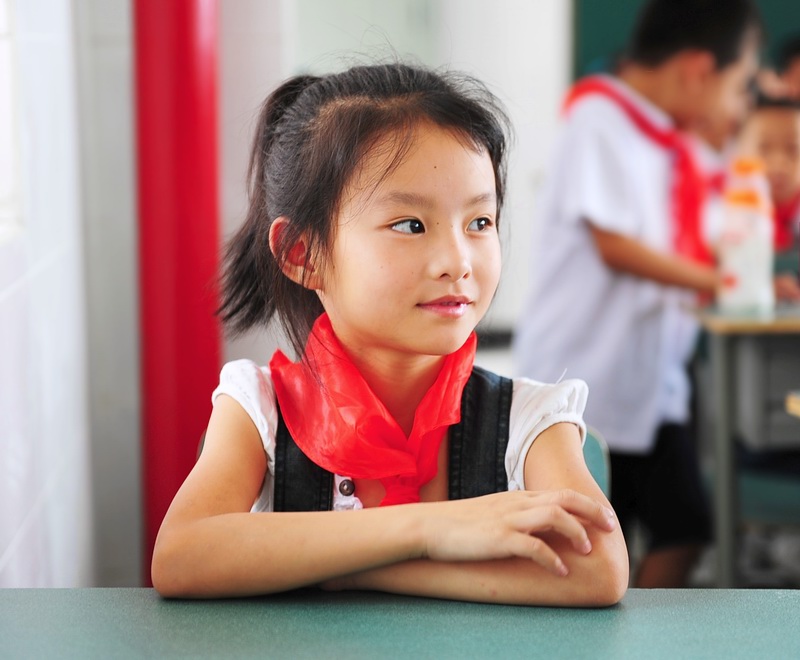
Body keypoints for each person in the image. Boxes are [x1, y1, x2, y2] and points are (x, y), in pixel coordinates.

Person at [151, 63, 629, 606]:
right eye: (411, 225)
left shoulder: (529, 419)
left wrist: (360, 572)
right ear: (302, 255)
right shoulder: (258, 408)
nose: (458, 261)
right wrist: (426, 532)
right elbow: (181, 554)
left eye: (480, 222)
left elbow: (600, 570)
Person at [513, 0, 761, 588]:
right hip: (587, 378)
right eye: (740, 84)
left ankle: (635, 633)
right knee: (600, 538)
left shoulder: (667, 138)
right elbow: (615, 246)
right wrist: (724, 282)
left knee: (681, 528)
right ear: (699, 69)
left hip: (647, 383)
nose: (740, 102)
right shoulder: (600, 118)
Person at [737, 94, 800, 301]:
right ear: (739, 150)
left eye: (792, 149)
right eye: (763, 148)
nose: (778, 164)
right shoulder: (722, 213)